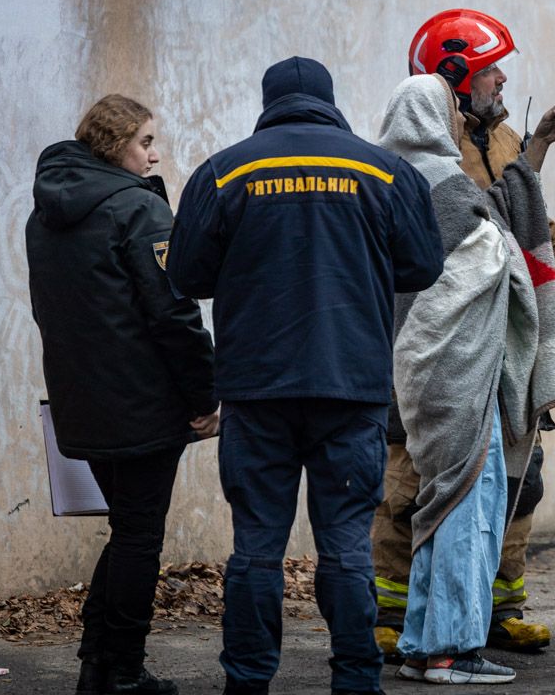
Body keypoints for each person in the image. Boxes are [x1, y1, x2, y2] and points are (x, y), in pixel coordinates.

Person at [167, 57, 444, 695]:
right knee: (347, 546)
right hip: (350, 385)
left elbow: (184, 276)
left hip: (255, 388)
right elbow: (423, 265)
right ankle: (354, 680)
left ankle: (248, 682)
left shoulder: (225, 170)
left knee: (256, 548)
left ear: (268, 102)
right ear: (329, 100)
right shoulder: (383, 170)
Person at [372, 8, 555, 658]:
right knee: (408, 482)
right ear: (453, 77)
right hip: (435, 349)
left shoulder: (500, 144)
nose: (502, 80)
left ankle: (497, 604)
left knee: (517, 478)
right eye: (490, 71)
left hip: (503, 345)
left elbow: (532, 225)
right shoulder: (420, 161)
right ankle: (396, 612)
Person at [26, 94, 218, 695]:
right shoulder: (137, 210)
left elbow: (46, 310)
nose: (156, 156)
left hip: (83, 402)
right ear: (115, 145)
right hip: (143, 404)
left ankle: (98, 664)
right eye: (146, 142)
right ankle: (123, 673)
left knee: (129, 528)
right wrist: (205, 396)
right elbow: (175, 315)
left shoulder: (45, 213)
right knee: (141, 535)